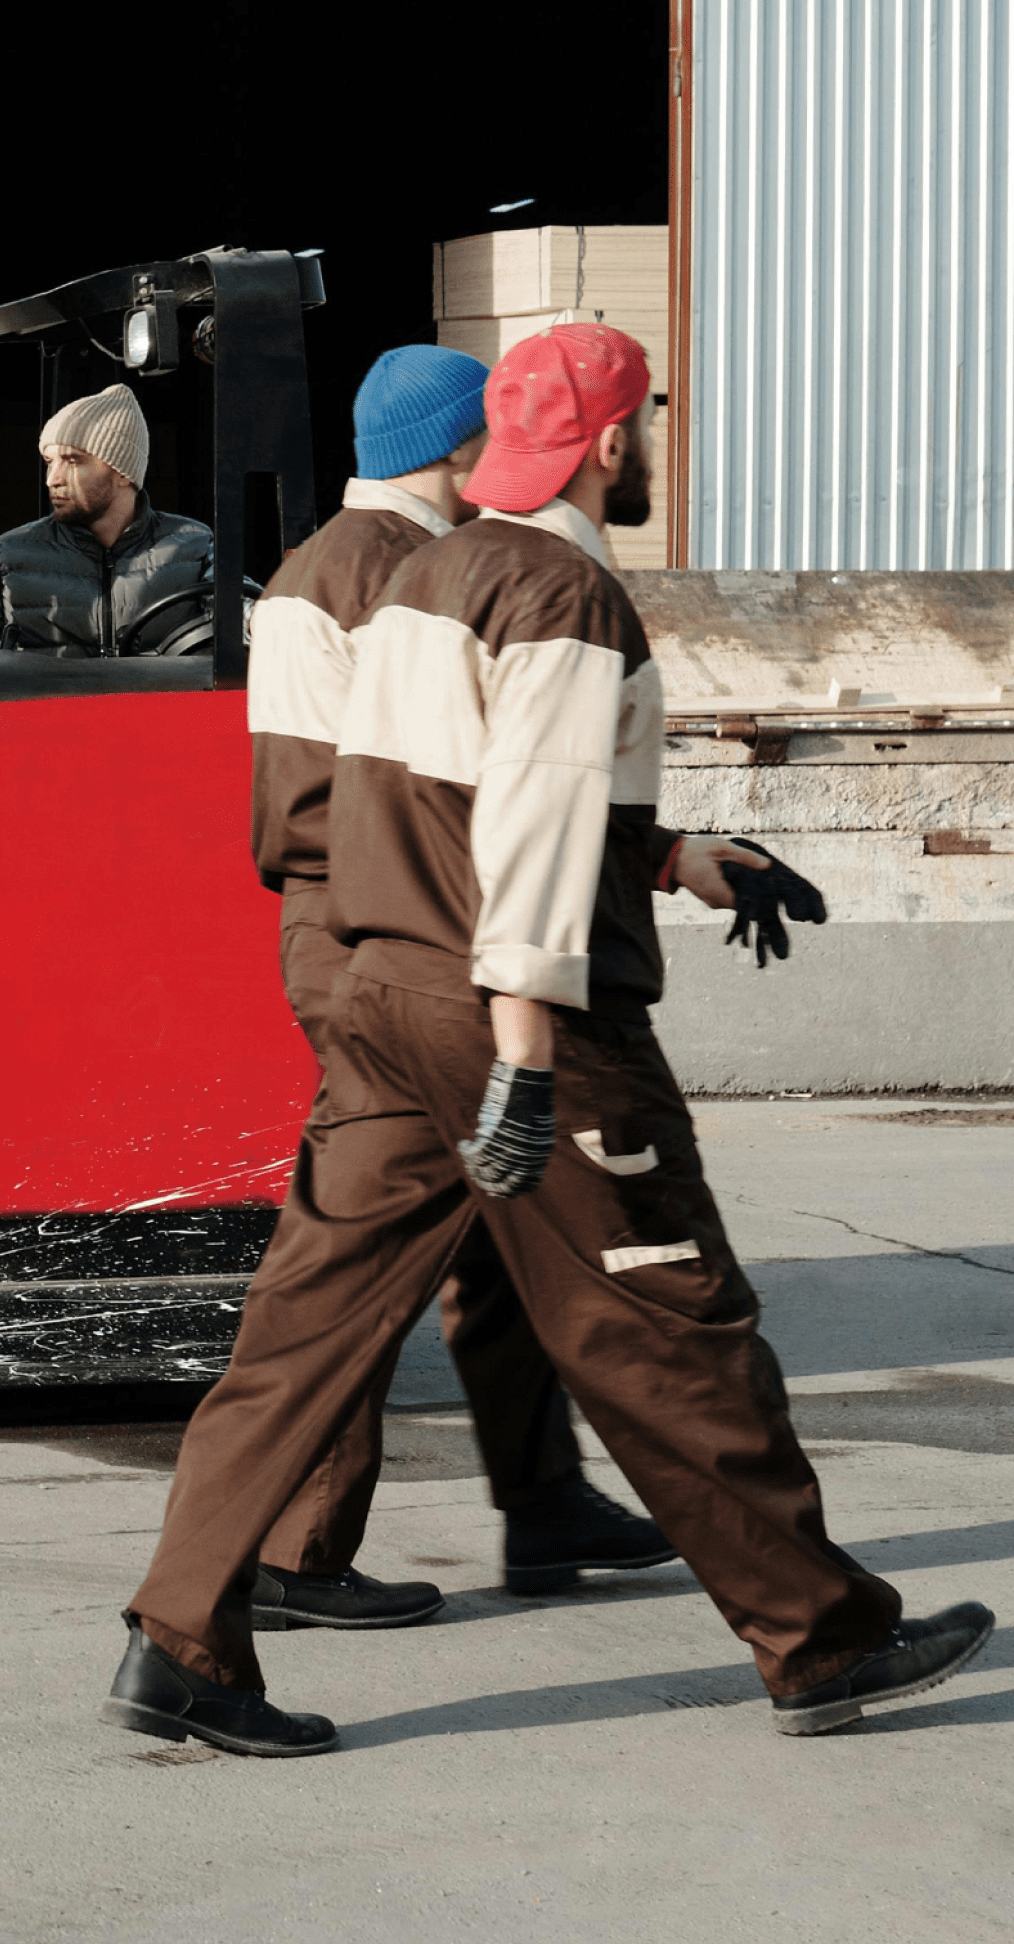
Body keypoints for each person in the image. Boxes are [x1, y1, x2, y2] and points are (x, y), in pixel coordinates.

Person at [105, 324, 993, 1756]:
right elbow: (518, 825)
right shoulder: (561, 589)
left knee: (301, 1331)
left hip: (387, 1000)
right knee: (665, 1316)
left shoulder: (434, 578)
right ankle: (820, 1642)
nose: (643, 442)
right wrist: (524, 1042)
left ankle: (179, 1637)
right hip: (510, 1016)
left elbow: (443, 798)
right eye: (639, 419)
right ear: (601, 437)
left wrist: (680, 860)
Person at [235, 344, 673, 1634]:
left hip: (368, 917)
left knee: (490, 1223)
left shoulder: (333, 558)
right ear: (459, 444)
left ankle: (540, 1502)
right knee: (371, 1254)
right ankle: (299, 1548)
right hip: (396, 922)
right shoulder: (406, 571)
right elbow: (474, 782)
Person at [0, 383, 235, 663]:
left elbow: (258, 620)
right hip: (47, 745)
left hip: (161, 739)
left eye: (72, 461)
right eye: (50, 462)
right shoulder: (12, 558)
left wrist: (262, 621)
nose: (53, 478)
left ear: (124, 473)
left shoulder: (193, 546)